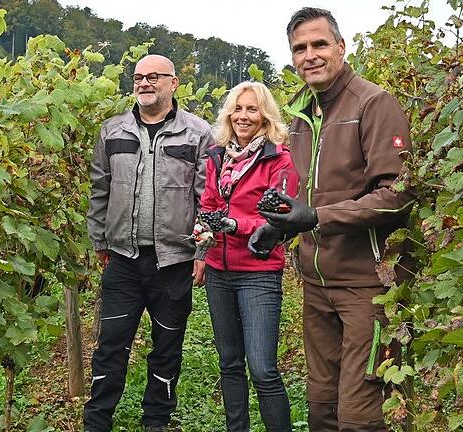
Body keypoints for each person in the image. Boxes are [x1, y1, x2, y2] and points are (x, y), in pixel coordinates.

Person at [251, 7, 415, 432]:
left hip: (367, 286)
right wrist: (282, 225)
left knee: (360, 415)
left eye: (320, 44)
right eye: (300, 48)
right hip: (317, 285)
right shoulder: (305, 115)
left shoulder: (373, 103)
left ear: (341, 47)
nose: (310, 55)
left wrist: (317, 216)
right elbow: (311, 192)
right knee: (321, 407)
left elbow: (398, 196)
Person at [84, 54, 213, 432]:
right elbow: (99, 191)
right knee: (110, 345)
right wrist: (99, 242)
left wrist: (201, 253)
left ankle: (156, 420)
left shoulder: (198, 133)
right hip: (123, 260)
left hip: (173, 262)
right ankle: (96, 421)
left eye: (154, 76)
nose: (144, 83)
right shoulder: (112, 131)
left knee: (166, 347)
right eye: (138, 77)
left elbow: (206, 198)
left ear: (174, 83)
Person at [192, 81, 298, 432]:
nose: (243, 116)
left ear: (265, 115)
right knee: (229, 362)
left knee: (263, 368)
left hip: (258, 272)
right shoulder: (218, 156)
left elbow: (279, 216)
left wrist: (234, 223)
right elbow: (208, 204)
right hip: (220, 272)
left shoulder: (277, 159)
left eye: (252, 109)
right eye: (238, 108)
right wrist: (202, 247)